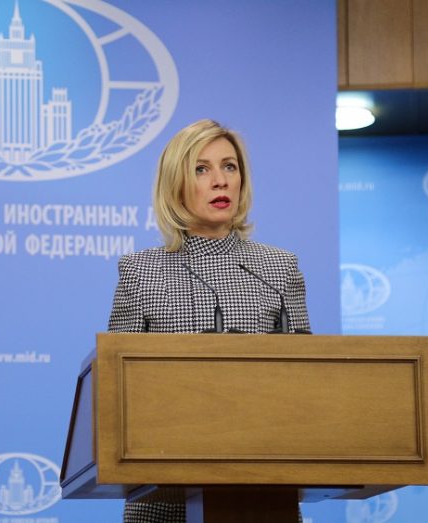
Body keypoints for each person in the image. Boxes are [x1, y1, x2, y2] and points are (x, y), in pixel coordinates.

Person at [107, 119, 311, 522]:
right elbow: (118, 394)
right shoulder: (140, 272)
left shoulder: (279, 268)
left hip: (262, 495)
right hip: (163, 501)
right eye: (201, 169)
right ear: (176, 185)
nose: (220, 180)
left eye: (229, 166)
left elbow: (307, 384)